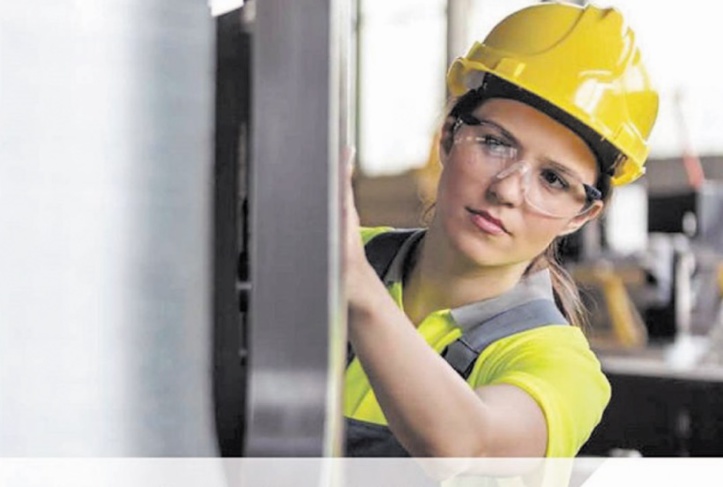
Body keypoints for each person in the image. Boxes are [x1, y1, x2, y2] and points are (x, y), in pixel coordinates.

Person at [343, 1, 659, 459]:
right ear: (448, 137)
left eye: (553, 180)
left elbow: (467, 444)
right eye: (495, 143)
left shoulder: (561, 368)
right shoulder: (356, 254)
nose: (507, 190)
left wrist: (352, 284)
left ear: (581, 216)